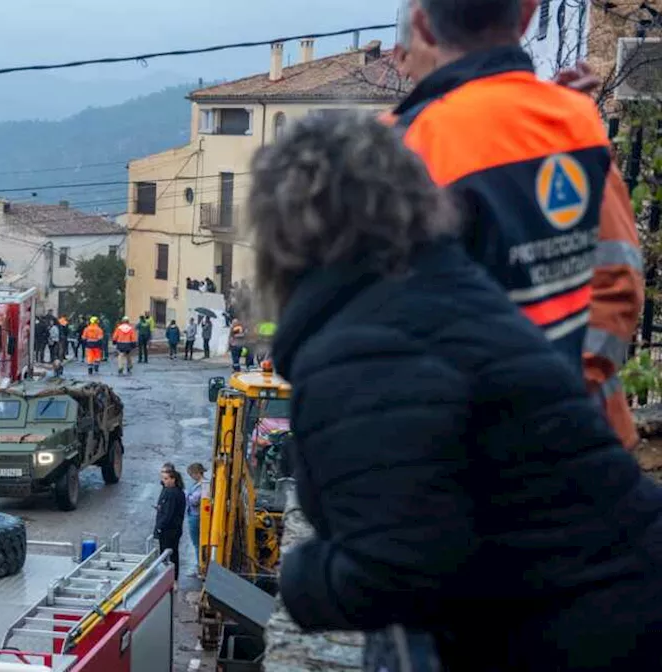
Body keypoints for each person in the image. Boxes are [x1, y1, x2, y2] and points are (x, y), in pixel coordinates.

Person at [247, 111, 662, 671]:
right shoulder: (445, 290)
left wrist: (298, 579)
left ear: (288, 227)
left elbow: (395, 571)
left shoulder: (361, 346)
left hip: (582, 637)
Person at [390, 0, 644, 451]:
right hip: (589, 445)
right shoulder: (574, 123)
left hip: (468, 466)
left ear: (423, 26)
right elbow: (620, 282)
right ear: (527, 16)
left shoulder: (397, 149)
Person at [155, 466, 186, 582]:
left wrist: (159, 527)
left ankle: (168, 578)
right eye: (163, 478)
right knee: (173, 553)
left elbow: (168, 513)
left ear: (173, 479)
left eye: (166, 478)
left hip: (169, 530)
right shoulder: (178, 492)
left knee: (167, 554)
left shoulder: (171, 493)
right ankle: (173, 577)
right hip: (175, 529)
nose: (164, 481)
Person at [185, 463, 209, 576]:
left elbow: (194, 500)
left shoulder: (204, 485)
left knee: (197, 543)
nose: (191, 476)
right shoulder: (199, 484)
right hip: (195, 514)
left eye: (192, 474)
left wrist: (187, 496)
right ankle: (200, 564)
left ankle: (200, 565)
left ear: (198, 473)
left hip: (196, 516)